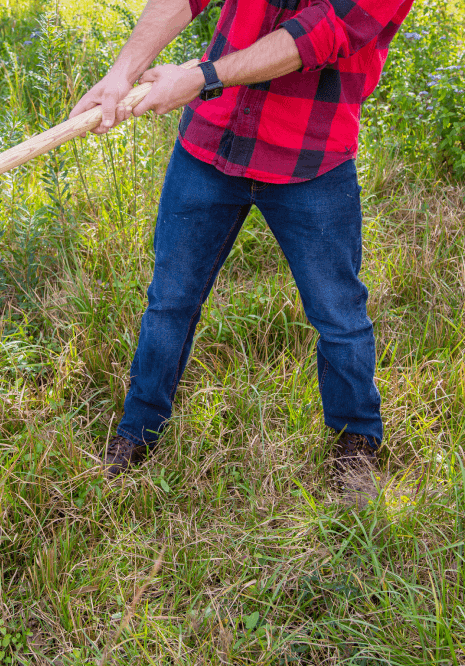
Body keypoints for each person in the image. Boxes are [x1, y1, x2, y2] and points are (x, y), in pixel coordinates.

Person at [69, 0, 414, 484]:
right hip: (212, 139)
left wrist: (200, 78)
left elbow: (320, 33)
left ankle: (354, 442)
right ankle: (139, 430)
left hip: (309, 157)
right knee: (170, 301)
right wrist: (123, 70)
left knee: (338, 315)